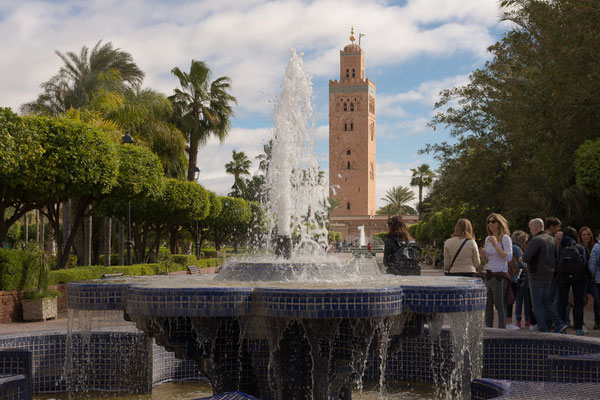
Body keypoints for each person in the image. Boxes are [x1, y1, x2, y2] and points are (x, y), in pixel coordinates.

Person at [522, 218, 567, 333]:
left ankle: (542, 329)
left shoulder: (536, 240)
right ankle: (559, 323)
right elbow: (556, 256)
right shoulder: (552, 239)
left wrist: (521, 258)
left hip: (536, 276)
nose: (530, 229)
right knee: (546, 302)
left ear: (536, 227)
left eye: (530, 227)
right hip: (549, 276)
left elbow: (526, 257)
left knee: (537, 305)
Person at [479, 213, 513, 329]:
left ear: (499, 223)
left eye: (493, 221)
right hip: (489, 274)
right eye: (488, 221)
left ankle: (501, 330)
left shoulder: (505, 238)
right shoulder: (488, 238)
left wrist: (495, 245)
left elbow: (508, 257)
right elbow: (488, 259)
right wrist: (483, 256)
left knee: (499, 305)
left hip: (500, 276)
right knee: (487, 305)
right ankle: (488, 329)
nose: (490, 224)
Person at [556, 227, 587, 336]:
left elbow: (557, 262)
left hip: (563, 278)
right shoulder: (580, 247)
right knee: (578, 303)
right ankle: (578, 328)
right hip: (578, 278)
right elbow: (584, 263)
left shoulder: (561, 247)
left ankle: (562, 326)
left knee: (562, 303)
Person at [510, 230, 533, 330]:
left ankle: (520, 321)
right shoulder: (517, 248)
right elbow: (521, 263)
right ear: (521, 239)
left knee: (520, 299)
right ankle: (525, 320)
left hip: (517, 276)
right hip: (521, 275)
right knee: (524, 299)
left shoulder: (512, 246)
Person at [578, 226, 600, 330]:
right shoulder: (578, 247)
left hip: (592, 279)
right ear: (580, 236)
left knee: (597, 299)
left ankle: (597, 321)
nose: (586, 236)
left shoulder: (594, 247)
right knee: (580, 301)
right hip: (582, 279)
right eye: (583, 234)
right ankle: (580, 323)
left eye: (588, 234)